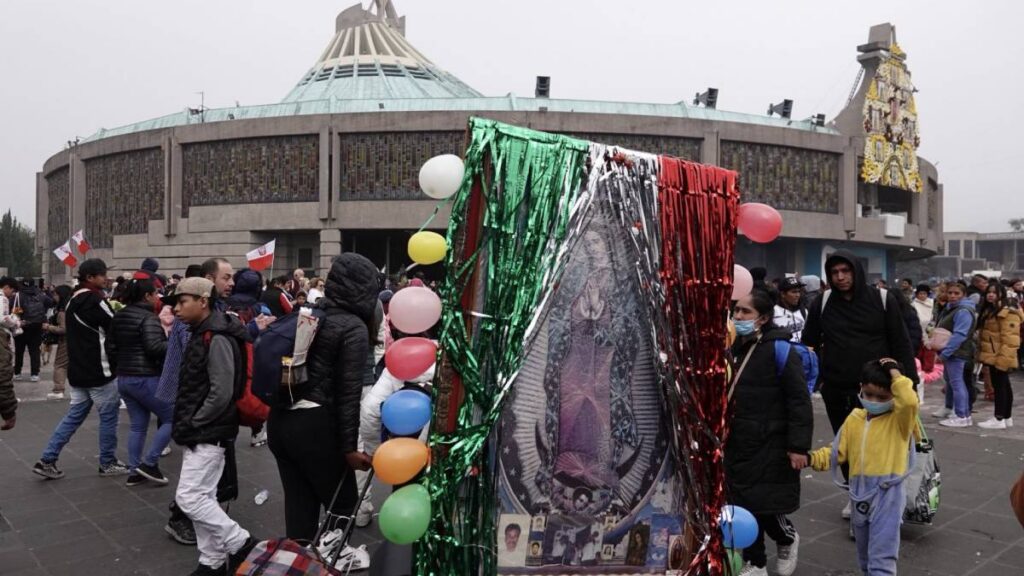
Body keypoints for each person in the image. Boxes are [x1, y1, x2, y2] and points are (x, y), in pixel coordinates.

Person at [266, 253, 378, 568]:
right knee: (342, 504)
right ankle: (333, 559)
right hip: (314, 426)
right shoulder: (353, 327)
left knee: (299, 503)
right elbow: (347, 394)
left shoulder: (309, 312)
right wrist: (348, 449)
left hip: (280, 420)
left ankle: (300, 563)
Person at [801, 250, 916, 519]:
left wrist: (909, 383)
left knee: (882, 444)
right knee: (846, 442)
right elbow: (809, 341)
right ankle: (855, 494)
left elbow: (901, 341)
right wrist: (813, 376)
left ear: (857, 271)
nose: (840, 278)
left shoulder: (882, 299)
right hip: (837, 387)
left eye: (846, 271)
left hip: (878, 390)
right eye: (834, 273)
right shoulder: (823, 301)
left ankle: (886, 494)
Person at [165, 277, 256, 575]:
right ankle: (212, 562)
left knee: (189, 498)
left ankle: (242, 543)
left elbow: (221, 391)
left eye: (182, 301)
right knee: (204, 497)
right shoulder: (202, 331)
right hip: (202, 429)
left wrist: (195, 420)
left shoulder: (215, 336)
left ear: (202, 301)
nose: (176, 308)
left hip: (208, 431)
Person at [805, 358, 918, 576]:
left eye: (882, 397)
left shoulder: (900, 421)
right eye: (868, 394)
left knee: (882, 558)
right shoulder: (855, 419)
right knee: (864, 556)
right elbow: (837, 451)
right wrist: (811, 459)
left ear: (894, 395)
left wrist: (894, 372)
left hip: (888, 494)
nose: (874, 400)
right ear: (861, 389)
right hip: (859, 492)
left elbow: (910, 401)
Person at [728, 292, 812, 576]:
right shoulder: (733, 347)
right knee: (743, 501)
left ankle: (786, 537)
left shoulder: (781, 350)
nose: (738, 317)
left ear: (762, 318)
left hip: (771, 439)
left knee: (763, 502)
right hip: (739, 438)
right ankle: (756, 562)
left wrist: (798, 446)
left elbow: (799, 400)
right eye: (736, 311)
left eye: (745, 312)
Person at [33, 259, 129, 479]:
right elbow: (113, 325)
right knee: (108, 418)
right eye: (102, 275)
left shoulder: (72, 300)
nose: (106, 279)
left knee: (73, 417)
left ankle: (47, 459)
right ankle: (107, 462)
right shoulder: (95, 299)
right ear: (90, 278)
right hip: (99, 372)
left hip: (77, 371)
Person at [110, 277, 172, 486]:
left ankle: (135, 470)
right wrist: (173, 344)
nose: (157, 297)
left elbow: (111, 347)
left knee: (138, 425)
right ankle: (149, 462)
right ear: (146, 296)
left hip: (124, 377)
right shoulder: (149, 318)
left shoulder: (118, 316)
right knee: (173, 416)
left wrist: (118, 368)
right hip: (145, 377)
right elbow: (154, 347)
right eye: (155, 293)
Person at [932, 280, 978, 427]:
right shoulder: (953, 308)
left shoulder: (963, 311)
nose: (952, 296)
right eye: (950, 293)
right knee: (956, 383)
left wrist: (945, 353)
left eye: (956, 293)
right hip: (955, 351)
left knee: (957, 383)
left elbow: (959, 335)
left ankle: (961, 415)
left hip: (957, 352)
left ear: (963, 295)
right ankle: (963, 414)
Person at [976, 282, 1022, 429]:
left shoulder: (1007, 312)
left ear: (1001, 294)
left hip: (999, 356)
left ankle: (999, 417)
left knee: (1000, 386)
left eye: (994, 293)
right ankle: (1006, 417)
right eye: (989, 292)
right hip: (993, 354)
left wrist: (1002, 360)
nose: (991, 295)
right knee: (1004, 385)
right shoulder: (991, 310)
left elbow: (1010, 340)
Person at [12, 277, 52, 382]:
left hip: (21, 325)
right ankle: (34, 374)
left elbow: (12, 308)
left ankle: (17, 373)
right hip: (37, 326)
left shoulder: (17, 295)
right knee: (34, 351)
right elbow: (51, 302)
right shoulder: (40, 295)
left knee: (19, 351)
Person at [41, 285, 72, 400]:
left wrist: (49, 327)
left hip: (66, 341)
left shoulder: (62, 311)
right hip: (77, 340)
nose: (54, 297)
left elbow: (64, 329)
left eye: (55, 294)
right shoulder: (73, 307)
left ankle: (58, 390)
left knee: (60, 365)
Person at [0, 277, 21, 431]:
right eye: (12, 290)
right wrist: (15, 321)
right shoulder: (2, 299)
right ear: (6, 287)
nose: (12, 294)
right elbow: (2, 318)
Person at [911, 284, 935, 373]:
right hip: (919, 332)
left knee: (929, 353)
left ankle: (928, 371)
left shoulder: (932, 303)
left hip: (931, 332)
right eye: (920, 294)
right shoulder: (914, 305)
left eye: (924, 293)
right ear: (917, 294)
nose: (922, 296)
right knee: (920, 353)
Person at [773, 277, 807, 342]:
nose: (798, 295)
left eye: (799, 291)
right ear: (783, 294)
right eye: (794, 292)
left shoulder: (804, 311)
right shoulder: (773, 313)